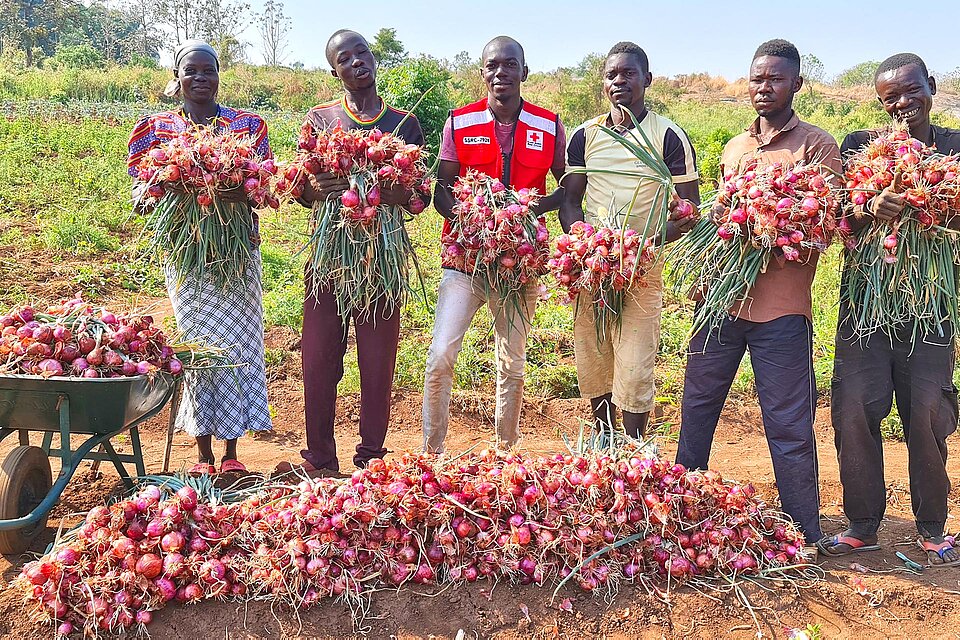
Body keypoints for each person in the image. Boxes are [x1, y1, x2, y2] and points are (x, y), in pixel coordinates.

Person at [675, 39, 841, 546]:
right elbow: (723, 223)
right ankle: (676, 516)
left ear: (796, 84)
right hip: (720, 304)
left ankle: (804, 533)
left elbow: (824, 224)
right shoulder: (734, 147)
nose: (763, 87)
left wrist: (769, 221)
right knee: (696, 413)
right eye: (756, 78)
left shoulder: (816, 145)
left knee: (788, 426)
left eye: (775, 79)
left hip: (782, 312)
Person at [818, 53, 960, 565]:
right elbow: (833, 217)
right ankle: (861, 525)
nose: (902, 104)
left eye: (909, 91)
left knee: (926, 414)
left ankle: (931, 527)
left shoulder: (955, 149)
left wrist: (937, 205)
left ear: (932, 87)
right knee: (853, 410)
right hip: (865, 309)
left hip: (930, 308)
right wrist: (866, 207)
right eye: (888, 98)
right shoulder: (860, 149)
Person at [279, 29, 428, 475]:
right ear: (334, 70)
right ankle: (320, 458)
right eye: (345, 58)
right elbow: (299, 187)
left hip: (380, 260)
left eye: (361, 52)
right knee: (319, 359)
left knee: (377, 363)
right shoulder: (321, 118)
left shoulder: (403, 124)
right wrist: (316, 187)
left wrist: (383, 191)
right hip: (329, 259)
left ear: (374, 58)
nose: (356, 62)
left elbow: (419, 196)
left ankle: (370, 459)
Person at [127, 40, 272, 474]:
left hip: (237, 251)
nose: (201, 78)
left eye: (209, 70)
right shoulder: (154, 129)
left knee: (240, 344)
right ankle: (203, 455)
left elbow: (263, 188)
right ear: (178, 76)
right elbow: (141, 196)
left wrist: (229, 188)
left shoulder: (246, 125)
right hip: (187, 256)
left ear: (219, 74)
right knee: (199, 349)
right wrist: (171, 185)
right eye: (192, 71)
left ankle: (231, 454)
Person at [421, 36, 566, 453]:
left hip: (518, 263)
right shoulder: (459, 122)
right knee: (440, 356)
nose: (500, 73)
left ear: (525, 71)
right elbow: (441, 193)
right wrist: (473, 219)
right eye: (492, 66)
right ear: (482, 72)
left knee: (512, 363)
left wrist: (527, 213)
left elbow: (568, 185)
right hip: (465, 260)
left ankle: (505, 451)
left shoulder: (548, 124)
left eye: (509, 65)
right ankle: (433, 453)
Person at [559, 41, 700, 438]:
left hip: (642, 265)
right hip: (593, 266)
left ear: (648, 80)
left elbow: (689, 211)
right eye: (611, 75)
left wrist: (642, 244)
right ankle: (605, 442)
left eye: (628, 73)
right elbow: (570, 201)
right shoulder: (585, 135)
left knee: (636, 361)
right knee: (594, 354)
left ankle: (634, 446)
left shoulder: (669, 135)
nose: (619, 81)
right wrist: (583, 243)